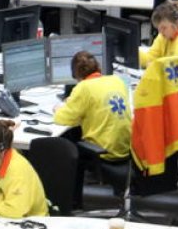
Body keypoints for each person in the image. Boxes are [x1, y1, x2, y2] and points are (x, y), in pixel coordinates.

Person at [54, 51, 132, 204]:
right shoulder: (117, 81)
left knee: (66, 144)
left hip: (104, 153)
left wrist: (59, 108)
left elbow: (62, 118)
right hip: (126, 149)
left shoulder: (83, 88)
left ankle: (71, 203)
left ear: (76, 75)